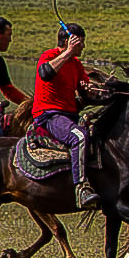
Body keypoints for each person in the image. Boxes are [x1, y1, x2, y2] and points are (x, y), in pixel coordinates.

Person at [32, 23, 99, 209]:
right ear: (71, 41)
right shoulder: (49, 56)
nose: (83, 47)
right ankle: (81, 188)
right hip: (49, 115)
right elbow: (45, 74)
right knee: (79, 136)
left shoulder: (76, 65)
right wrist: (69, 51)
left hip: (70, 116)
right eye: (81, 43)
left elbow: (84, 89)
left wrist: (90, 88)